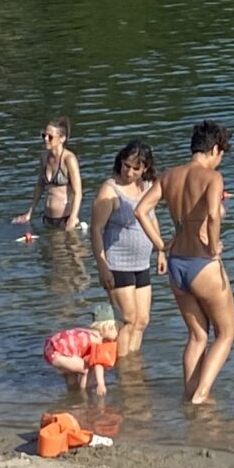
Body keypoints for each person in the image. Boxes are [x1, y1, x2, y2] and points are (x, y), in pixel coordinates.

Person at [158, 120, 234, 404]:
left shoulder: (169, 176)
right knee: (227, 333)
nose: (219, 161)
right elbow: (214, 215)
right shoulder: (212, 178)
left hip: (176, 263)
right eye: (220, 154)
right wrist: (214, 246)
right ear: (214, 150)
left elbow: (142, 210)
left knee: (197, 336)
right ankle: (202, 395)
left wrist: (160, 245)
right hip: (202, 263)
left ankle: (190, 395)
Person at [90, 142, 166, 355]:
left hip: (142, 263)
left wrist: (161, 251)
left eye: (135, 168)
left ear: (145, 168)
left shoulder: (148, 186)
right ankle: (122, 366)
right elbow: (95, 230)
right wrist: (102, 267)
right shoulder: (110, 190)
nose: (129, 172)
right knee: (129, 319)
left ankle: (133, 363)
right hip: (117, 263)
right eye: (126, 165)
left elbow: (152, 218)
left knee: (142, 320)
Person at [16, 119, 84, 231]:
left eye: (50, 137)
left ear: (62, 138)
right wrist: (29, 213)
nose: (46, 139)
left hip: (65, 220)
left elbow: (78, 192)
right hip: (47, 220)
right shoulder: (44, 157)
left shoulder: (69, 159)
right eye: (44, 135)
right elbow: (40, 185)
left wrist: (72, 219)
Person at [45, 314, 122, 396]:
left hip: (51, 348)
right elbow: (98, 363)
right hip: (58, 353)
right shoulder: (98, 340)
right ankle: (83, 395)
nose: (118, 336)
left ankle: (71, 394)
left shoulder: (89, 332)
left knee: (72, 373)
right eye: (117, 330)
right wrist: (101, 384)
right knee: (86, 370)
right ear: (109, 328)